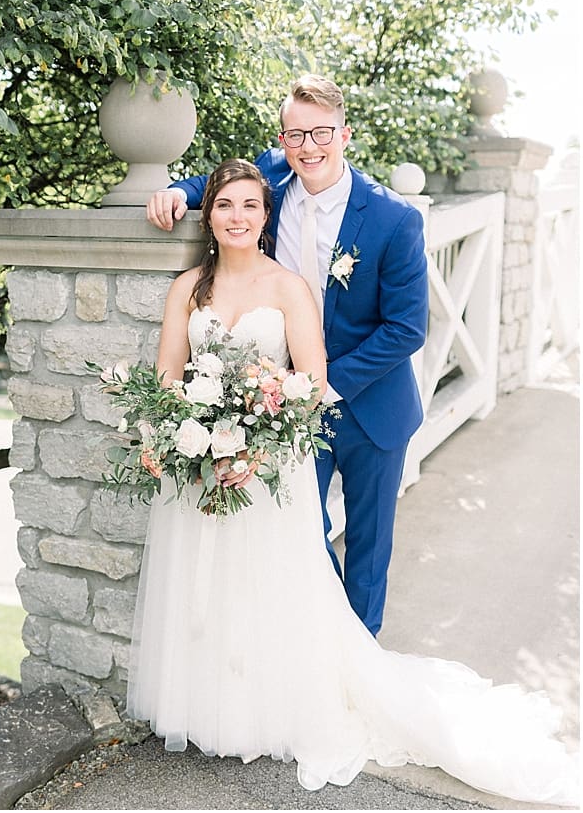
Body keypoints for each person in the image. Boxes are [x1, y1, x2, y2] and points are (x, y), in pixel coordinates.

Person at [126, 158, 577, 804]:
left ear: (265, 214)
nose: (237, 216)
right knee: (207, 583)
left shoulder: (289, 289)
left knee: (273, 584)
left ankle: (272, 707)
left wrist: (252, 442)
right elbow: (169, 375)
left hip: (264, 462)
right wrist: (176, 438)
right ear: (210, 213)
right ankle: (210, 708)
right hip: (195, 462)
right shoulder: (187, 290)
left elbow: (309, 383)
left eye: (250, 206)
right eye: (225, 205)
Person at [146, 75, 427, 637]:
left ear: (344, 134)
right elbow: (222, 187)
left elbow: (407, 328)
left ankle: (360, 665)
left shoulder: (394, 219)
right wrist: (179, 189)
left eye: (321, 132)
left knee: (369, 549)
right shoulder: (272, 175)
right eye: (296, 134)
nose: (309, 147)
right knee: (300, 533)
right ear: (282, 138)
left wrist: (325, 384)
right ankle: (321, 651)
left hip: (369, 405)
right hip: (277, 407)